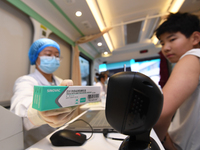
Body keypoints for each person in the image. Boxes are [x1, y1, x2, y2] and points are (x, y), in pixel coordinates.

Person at [10, 38, 77, 148]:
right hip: (38, 143)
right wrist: (38, 113)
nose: (53, 58)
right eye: (48, 54)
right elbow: (20, 104)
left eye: (56, 55)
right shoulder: (26, 81)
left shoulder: (61, 82)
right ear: (36, 58)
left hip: (62, 139)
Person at [153, 12, 200, 150]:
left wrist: (163, 141)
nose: (165, 48)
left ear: (195, 37)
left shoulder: (191, 57)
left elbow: (160, 112)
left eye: (172, 39)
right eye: (162, 43)